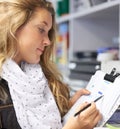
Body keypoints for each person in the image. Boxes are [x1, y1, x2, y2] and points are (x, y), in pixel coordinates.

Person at [0, 0, 102, 129]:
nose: (48, 41)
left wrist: (69, 111)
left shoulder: (41, 78)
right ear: (14, 25)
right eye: (41, 29)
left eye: (48, 33)